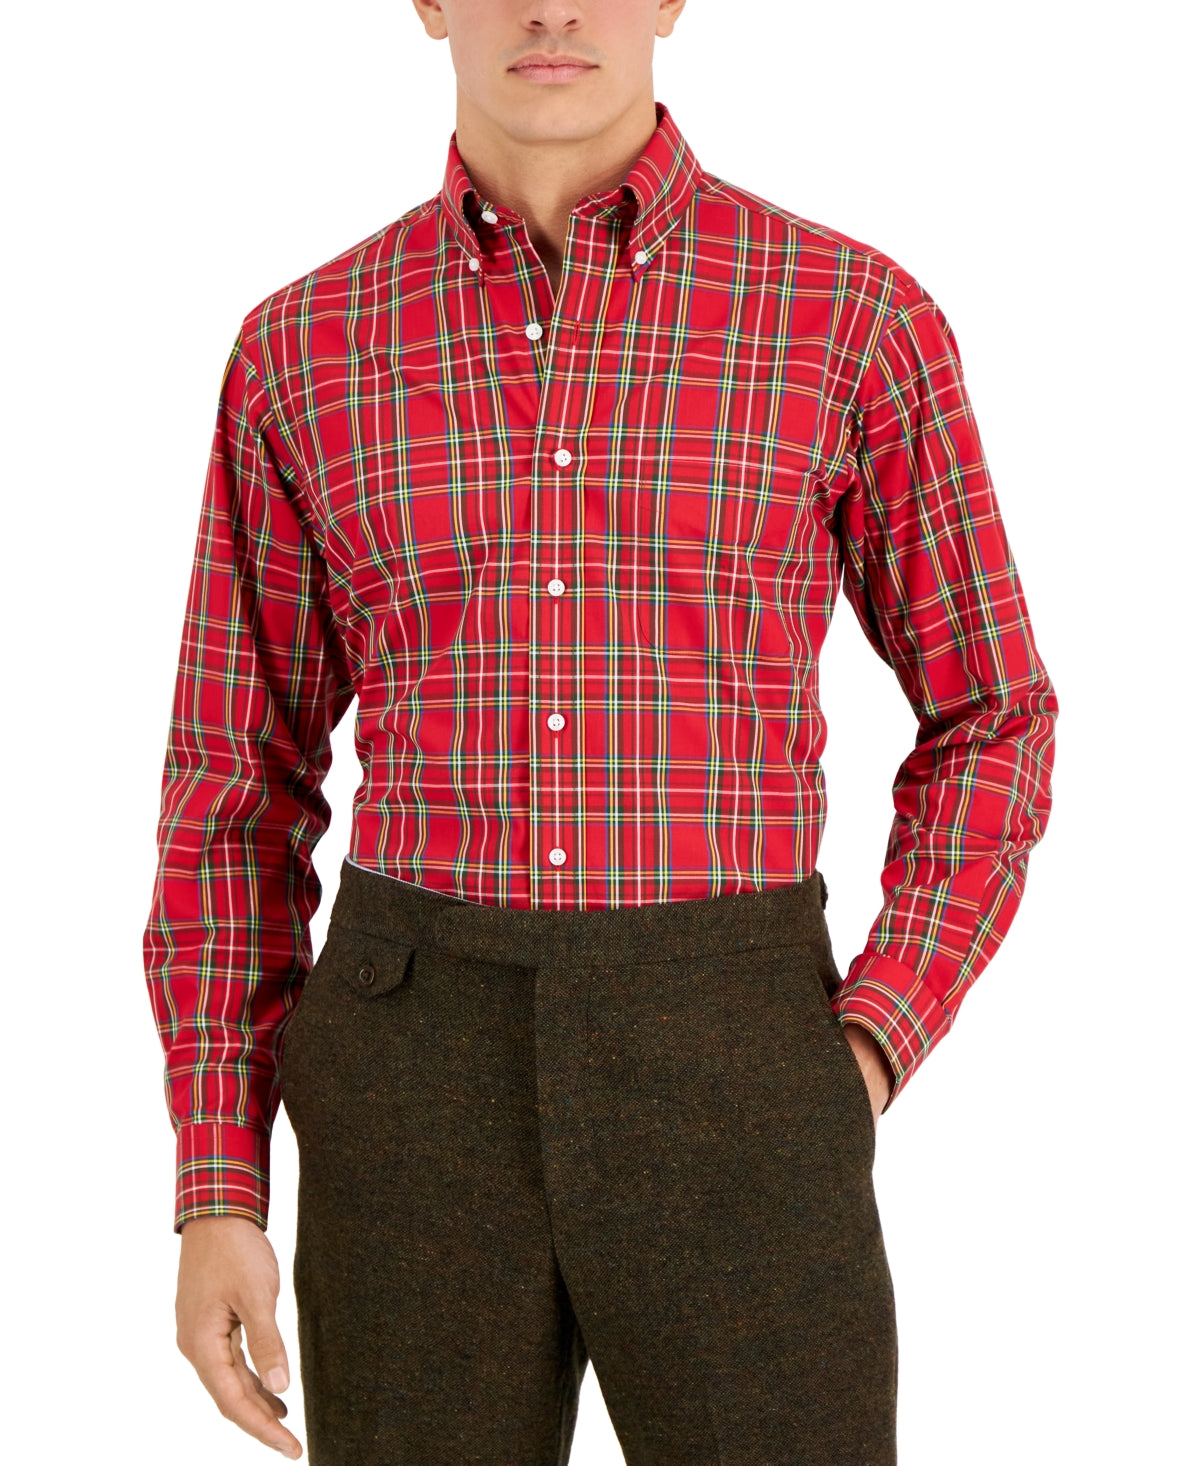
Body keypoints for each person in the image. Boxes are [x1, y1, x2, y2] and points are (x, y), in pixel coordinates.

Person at [143, 1, 1058, 1461]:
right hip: (411, 1073)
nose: (553, 7)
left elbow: (991, 714)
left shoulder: (846, 317)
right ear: (429, 1)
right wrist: (218, 1184)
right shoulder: (303, 347)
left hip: (738, 1051)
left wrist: (871, 1042)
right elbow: (232, 785)